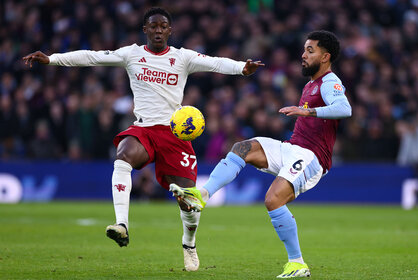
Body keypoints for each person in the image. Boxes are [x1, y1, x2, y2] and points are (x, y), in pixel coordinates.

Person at [22, 7, 263, 272]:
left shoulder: (182, 57)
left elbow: (215, 62)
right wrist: (52, 59)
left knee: (190, 202)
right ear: (145, 30)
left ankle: (189, 245)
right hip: (144, 129)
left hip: (175, 134)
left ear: (170, 31)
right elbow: (92, 57)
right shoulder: (132, 54)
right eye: (153, 26)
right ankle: (122, 225)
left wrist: (242, 68)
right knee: (123, 155)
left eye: (163, 26)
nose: (158, 30)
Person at [170, 30, 352, 278]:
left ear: (325, 56)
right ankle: (201, 196)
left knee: (272, 199)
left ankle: (297, 263)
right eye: (304, 49)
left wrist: (306, 112)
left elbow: (344, 108)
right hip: (292, 148)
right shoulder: (311, 84)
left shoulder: (330, 82)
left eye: (310, 50)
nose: (303, 54)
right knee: (243, 148)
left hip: (311, 157)